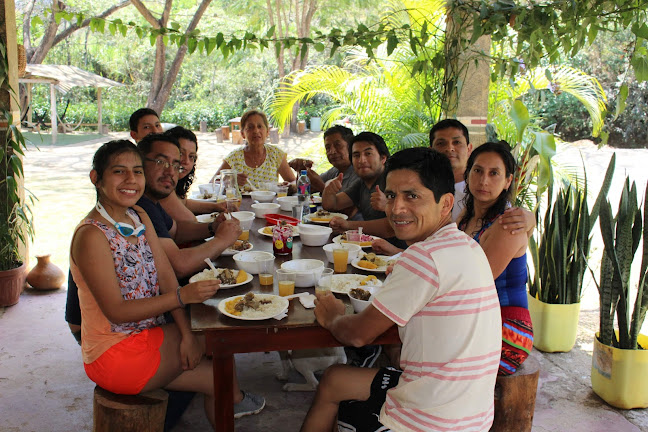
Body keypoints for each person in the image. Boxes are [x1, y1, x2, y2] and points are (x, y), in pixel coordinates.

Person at [302, 147, 501, 432]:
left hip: (428, 422)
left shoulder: (424, 257)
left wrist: (334, 317)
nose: (396, 209)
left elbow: (358, 335)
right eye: (392, 195)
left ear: (445, 204)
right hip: (472, 417)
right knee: (334, 379)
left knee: (348, 400)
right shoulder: (467, 246)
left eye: (412, 196)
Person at [70, 140, 264, 429]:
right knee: (219, 346)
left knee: (218, 360)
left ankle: (227, 405)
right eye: (119, 172)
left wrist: (186, 333)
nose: (130, 180)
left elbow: (165, 276)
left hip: (146, 334)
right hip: (114, 352)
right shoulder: (92, 236)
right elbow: (117, 312)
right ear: (96, 178)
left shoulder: (139, 215)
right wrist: (182, 298)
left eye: (136, 171)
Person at [458, 141, 534, 376]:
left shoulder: (508, 224)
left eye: (494, 173)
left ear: (508, 181)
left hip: (507, 331)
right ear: (467, 174)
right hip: (475, 316)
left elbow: (477, 284)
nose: (483, 181)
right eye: (478, 171)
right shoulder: (467, 215)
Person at [136, 133, 242, 278]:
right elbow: (179, 266)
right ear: (139, 163)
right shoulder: (139, 207)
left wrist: (213, 227)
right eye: (161, 162)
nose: (170, 171)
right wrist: (222, 240)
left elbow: (176, 231)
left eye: (175, 165)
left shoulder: (150, 201)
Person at [322, 132, 397, 241]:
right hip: (370, 248)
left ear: (383, 158)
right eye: (356, 155)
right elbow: (333, 204)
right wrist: (328, 191)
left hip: (398, 253)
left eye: (368, 154)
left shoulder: (393, 180)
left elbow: (390, 228)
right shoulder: (362, 182)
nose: (361, 160)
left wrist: (348, 225)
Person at [159, 127, 226, 223]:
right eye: (181, 154)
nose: (186, 161)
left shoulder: (175, 186)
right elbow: (190, 221)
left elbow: (184, 203)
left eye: (191, 157)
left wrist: (217, 207)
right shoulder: (162, 186)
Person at [215, 109, 296, 188]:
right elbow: (213, 183)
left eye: (260, 126)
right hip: (241, 202)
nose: (256, 131)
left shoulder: (276, 154)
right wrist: (230, 180)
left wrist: (288, 186)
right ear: (243, 134)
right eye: (250, 127)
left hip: (270, 202)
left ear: (267, 131)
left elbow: (293, 181)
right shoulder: (234, 157)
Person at [288, 125, 359, 193]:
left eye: (338, 145)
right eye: (328, 148)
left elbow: (340, 203)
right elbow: (305, 190)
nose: (332, 151)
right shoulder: (334, 171)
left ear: (351, 147)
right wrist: (302, 170)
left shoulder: (358, 174)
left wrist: (321, 186)